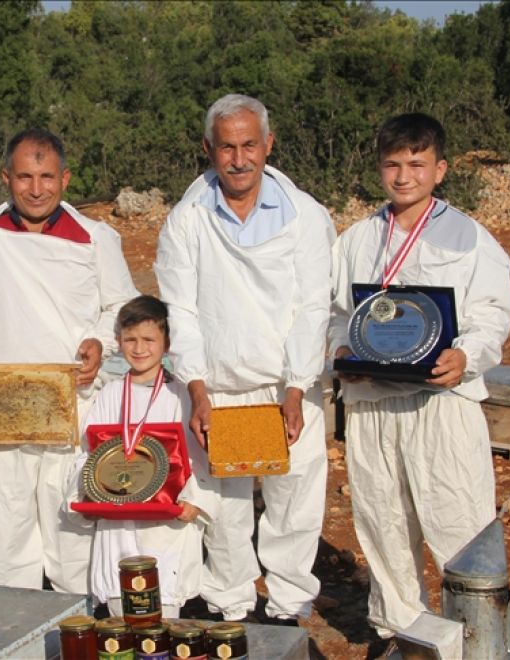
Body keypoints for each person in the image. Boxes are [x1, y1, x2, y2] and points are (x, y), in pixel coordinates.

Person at [0, 128, 139, 594]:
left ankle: (77, 626)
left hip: (72, 405)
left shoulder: (96, 240)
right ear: (6, 177)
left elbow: (121, 310)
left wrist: (100, 343)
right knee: (8, 528)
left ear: (65, 178)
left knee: (71, 531)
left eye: (46, 176)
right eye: (24, 177)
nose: (36, 189)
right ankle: (15, 635)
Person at [328, 112, 510, 638]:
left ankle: (486, 640)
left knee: (459, 523)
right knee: (382, 524)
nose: (403, 176)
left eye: (417, 163)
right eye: (392, 164)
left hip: (440, 403)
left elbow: (492, 314)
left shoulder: (468, 238)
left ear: (441, 169)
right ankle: (401, 634)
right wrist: (338, 343)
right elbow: (331, 310)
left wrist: (467, 357)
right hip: (372, 403)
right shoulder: (357, 239)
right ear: (379, 169)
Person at [154, 94, 335, 623]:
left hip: (286, 387)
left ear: (268, 145)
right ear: (208, 149)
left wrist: (299, 386)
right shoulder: (186, 220)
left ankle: (286, 606)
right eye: (227, 147)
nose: (239, 159)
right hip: (219, 389)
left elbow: (312, 307)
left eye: (249, 145)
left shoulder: (306, 217)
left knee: (293, 501)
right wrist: (196, 389)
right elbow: (180, 309)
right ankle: (230, 607)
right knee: (224, 507)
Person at [69, 295, 219, 618]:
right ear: (118, 341)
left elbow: (201, 458)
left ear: (167, 344)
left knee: (161, 620)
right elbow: (88, 453)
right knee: (119, 614)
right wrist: (88, 494)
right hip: (118, 522)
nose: (139, 348)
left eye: (149, 340)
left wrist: (196, 500)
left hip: (166, 524)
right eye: (130, 339)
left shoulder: (181, 394)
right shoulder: (110, 394)